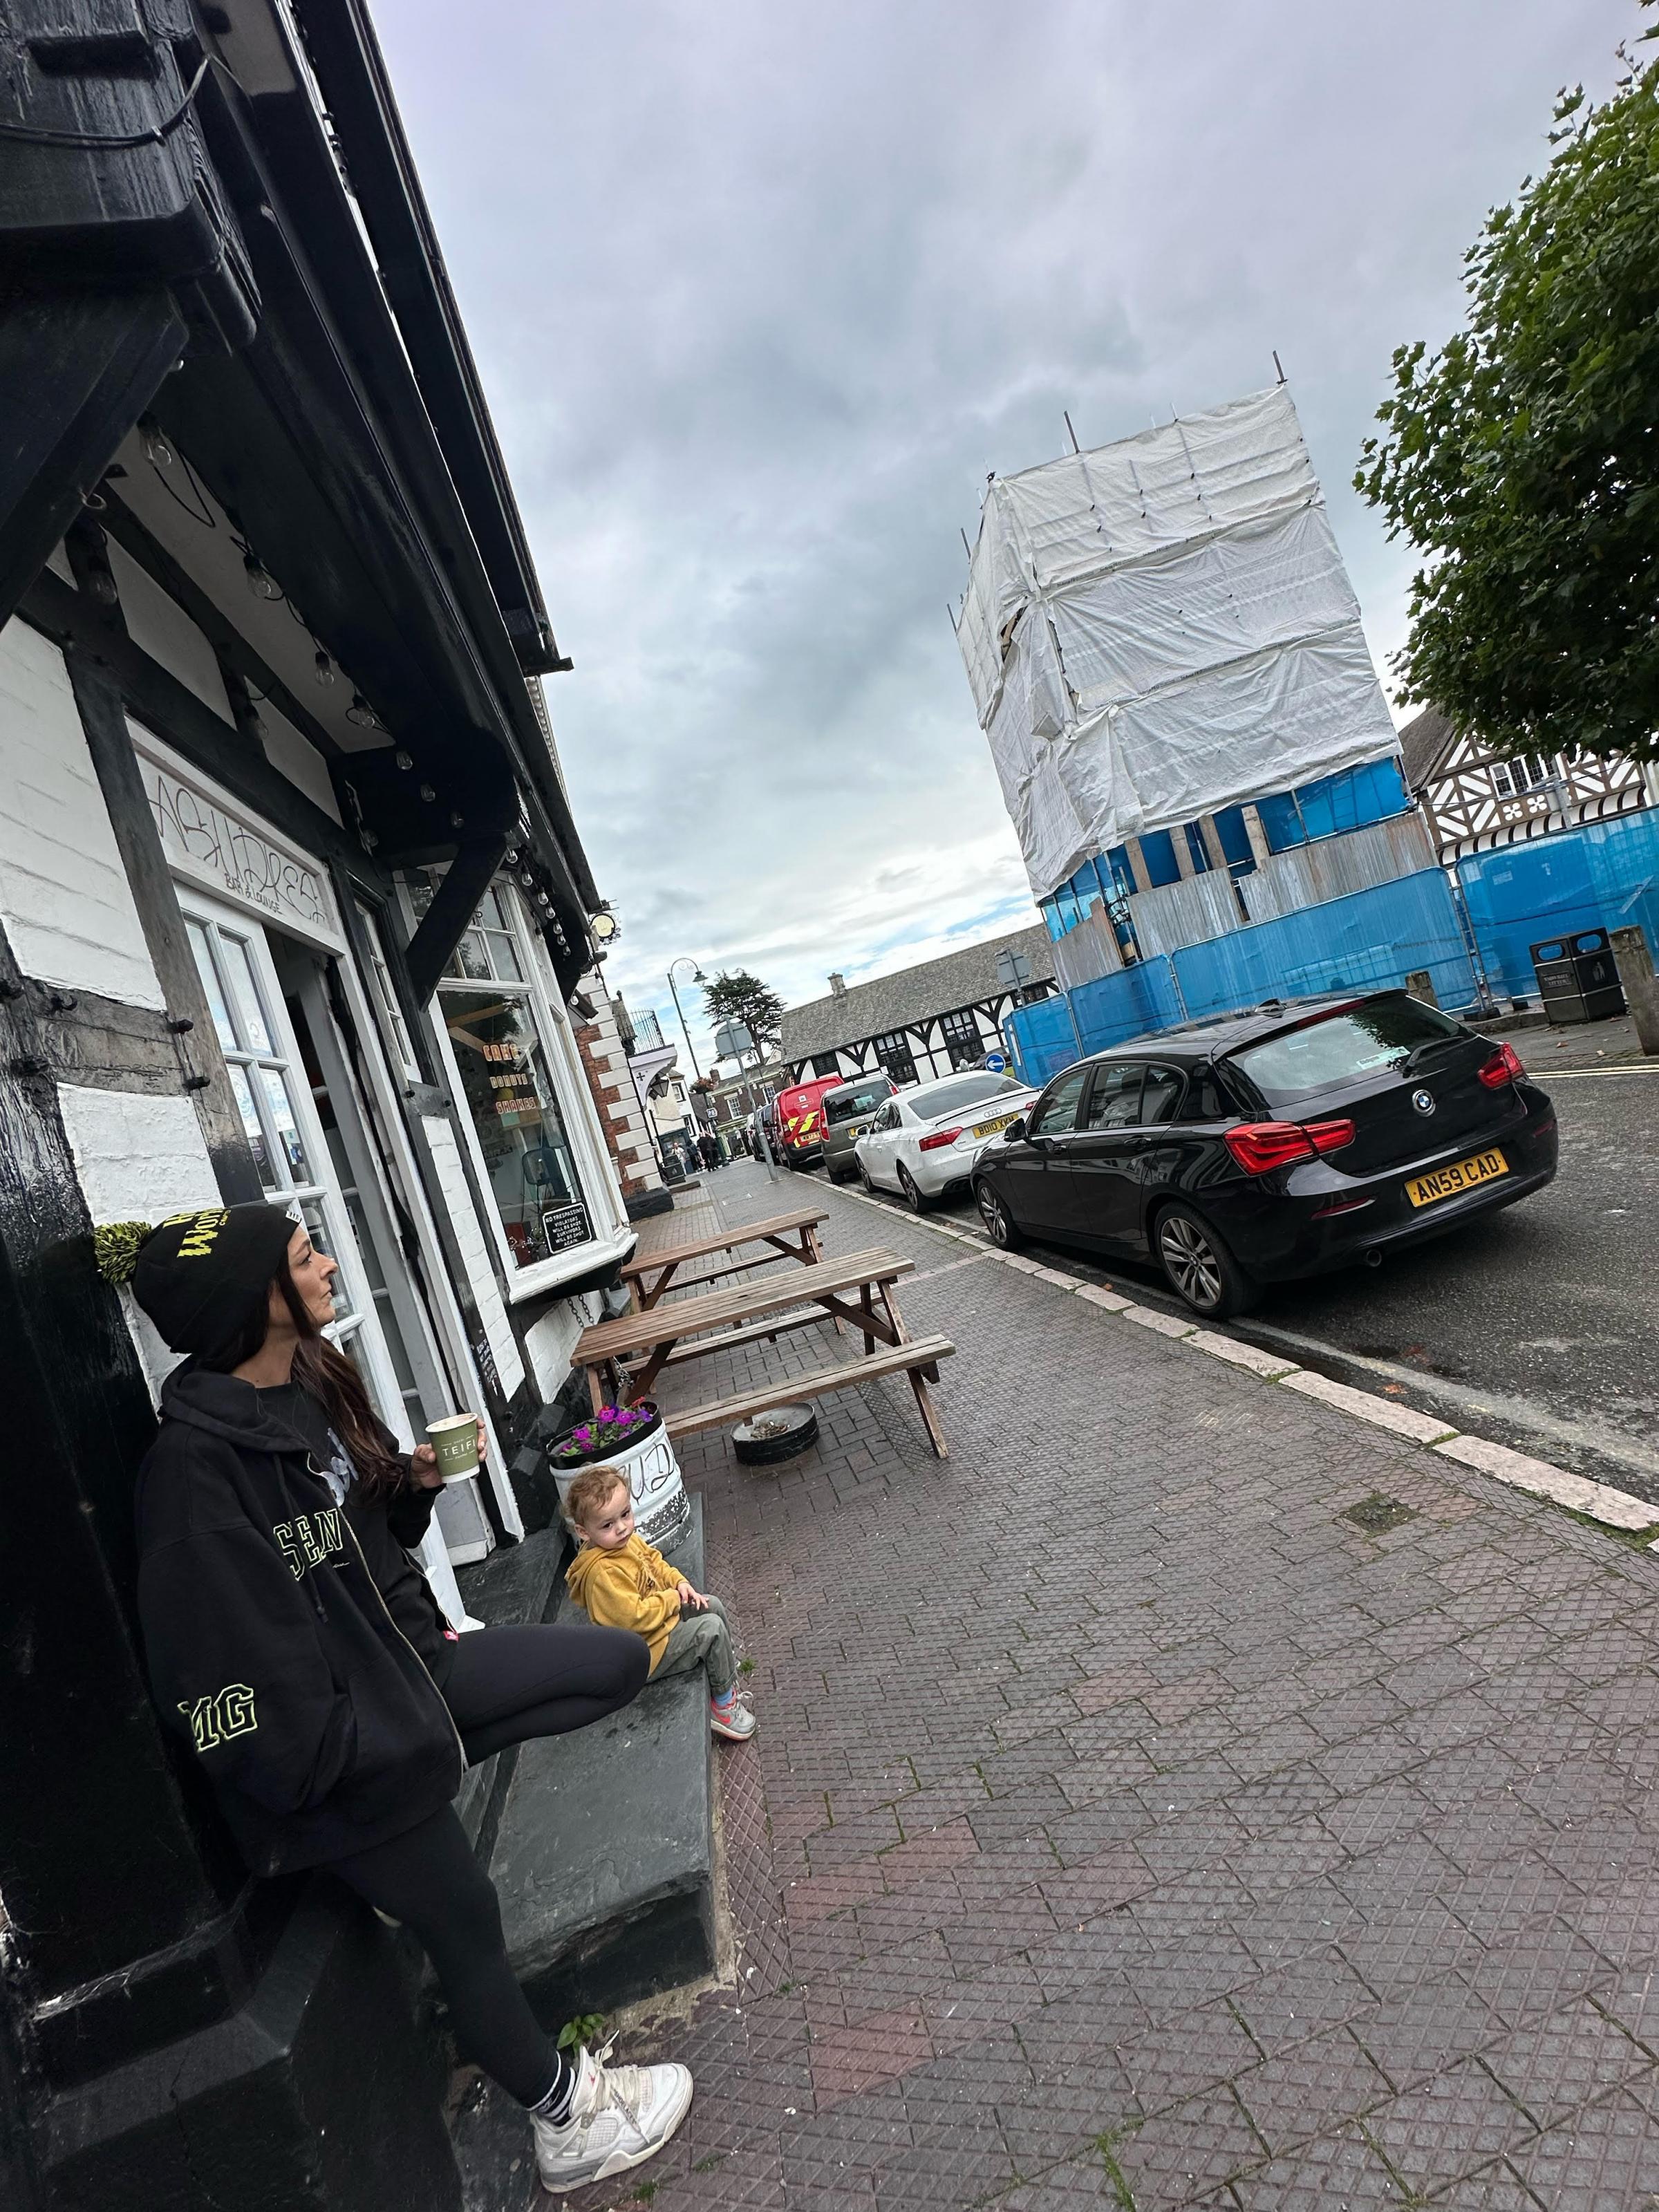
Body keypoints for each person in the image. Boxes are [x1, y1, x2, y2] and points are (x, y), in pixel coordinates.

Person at [97, 1202, 693, 2197]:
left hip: (405, 1688)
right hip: (347, 1761)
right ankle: (567, 2121)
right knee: (465, 1918)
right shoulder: (192, 1477)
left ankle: (442, 1752)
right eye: (304, 1257)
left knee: (612, 1672)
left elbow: (352, 1557)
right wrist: (362, 1753)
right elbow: (216, 1691)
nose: (330, 1265)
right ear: (258, 1298)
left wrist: (408, 1490)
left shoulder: (300, 1387)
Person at [563, 1465, 756, 1741]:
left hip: (659, 1625)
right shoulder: (602, 1574)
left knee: (710, 1605)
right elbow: (635, 1619)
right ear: (583, 1532)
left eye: (625, 1514)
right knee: (710, 1630)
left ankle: (724, 1675)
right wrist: (673, 1599)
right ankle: (724, 1709)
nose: (621, 1528)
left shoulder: (623, 1543)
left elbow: (654, 1561)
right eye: (607, 1525)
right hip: (644, 1654)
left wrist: (679, 1583)